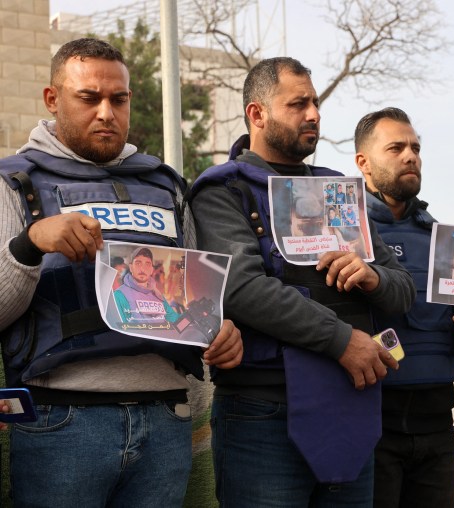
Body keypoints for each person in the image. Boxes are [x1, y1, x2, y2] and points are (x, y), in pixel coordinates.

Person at [0, 38, 243, 507]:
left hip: (165, 420)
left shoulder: (166, 184)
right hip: (62, 422)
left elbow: (198, 301)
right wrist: (29, 245)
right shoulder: (14, 183)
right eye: (89, 98)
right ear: (53, 100)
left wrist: (220, 330)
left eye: (119, 99)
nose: (107, 112)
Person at [189, 58, 416, 506]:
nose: (313, 113)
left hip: (351, 405)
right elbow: (242, 288)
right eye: (298, 103)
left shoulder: (337, 191)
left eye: (315, 102)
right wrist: (342, 340)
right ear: (257, 114)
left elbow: (403, 288)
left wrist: (371, 276)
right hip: (264, 413)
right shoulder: (224, 190)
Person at [354, 107, 454, 508]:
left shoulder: (447, 241)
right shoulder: (343, 232)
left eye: (415, 147)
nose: (410, 156)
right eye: (396, 147)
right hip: (368, 423)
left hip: (436, 423)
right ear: (363, 162)